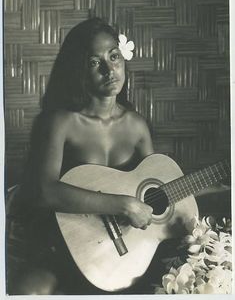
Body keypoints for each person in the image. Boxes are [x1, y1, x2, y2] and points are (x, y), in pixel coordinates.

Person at [6, 17, 155, 295]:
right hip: (61, 248)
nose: (110, 70)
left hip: (120, 253)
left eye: (114, 56)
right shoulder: (60, 123)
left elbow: (155, 187)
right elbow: (42, 192)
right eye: (94, 62)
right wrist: (122, 205)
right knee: (27, 292)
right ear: (78, 70)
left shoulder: (137, 125)